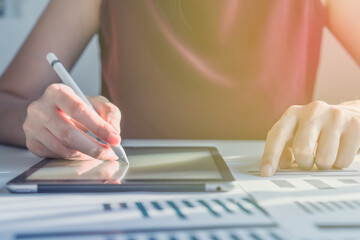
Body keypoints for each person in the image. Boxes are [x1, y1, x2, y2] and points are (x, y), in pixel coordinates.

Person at [0, 0, 359, 177]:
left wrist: (351, 113)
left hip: (273, 186)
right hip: (131, 196)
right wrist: (44, 122)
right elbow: (6, 101)